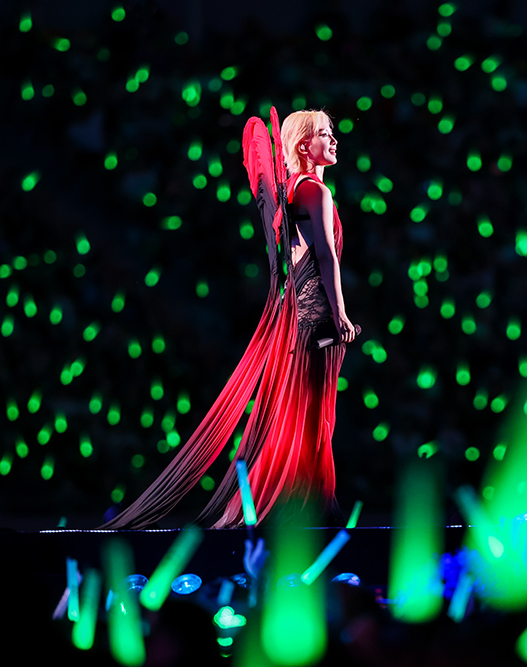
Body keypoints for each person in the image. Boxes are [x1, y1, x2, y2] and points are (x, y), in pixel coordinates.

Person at [100, 109, 355, 529]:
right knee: (312, 416)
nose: (334, 140)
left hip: (300, 315)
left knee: (301, 414)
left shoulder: (293, 189)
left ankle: (304, 503)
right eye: (325, 134)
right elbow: (326, 256)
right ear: (303, 144)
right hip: (317, 315)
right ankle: (307, 505)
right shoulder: (316, 192)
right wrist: (341, 312)